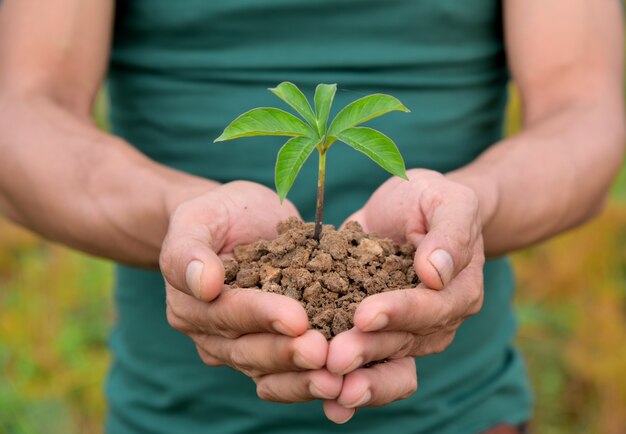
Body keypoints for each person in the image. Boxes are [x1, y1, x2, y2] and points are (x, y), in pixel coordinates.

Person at [0, 0, 623, 433]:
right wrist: (176, 214)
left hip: (458, 413)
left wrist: (469, 210)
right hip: (176, 417)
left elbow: (585, 108)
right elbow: (22, 113)